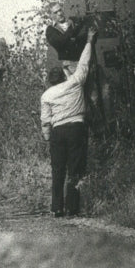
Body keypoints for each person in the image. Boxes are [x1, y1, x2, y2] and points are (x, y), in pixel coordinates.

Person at [41, 26, 96, 217]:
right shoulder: (74, 83)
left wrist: (48, 139)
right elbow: (84, 63)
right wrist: (89, 41)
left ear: (49, 81)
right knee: (75, 168)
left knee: (58, 170)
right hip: (75, 128)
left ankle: (56, 207)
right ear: (63, 76)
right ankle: (73, 208)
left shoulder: (46, 95)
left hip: (57, 132)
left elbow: (45, 121)